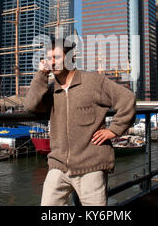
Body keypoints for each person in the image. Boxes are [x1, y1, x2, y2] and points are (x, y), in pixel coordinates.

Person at [24, 36, 136, 206]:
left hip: (90, 165)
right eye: (48, 58)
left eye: (57, 57)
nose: (52, 63)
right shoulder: (51, 91)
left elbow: (127, 98)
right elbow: (30, 106)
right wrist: (41, 74)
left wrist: (114, 129)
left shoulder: (93, 82)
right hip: (58, 165)